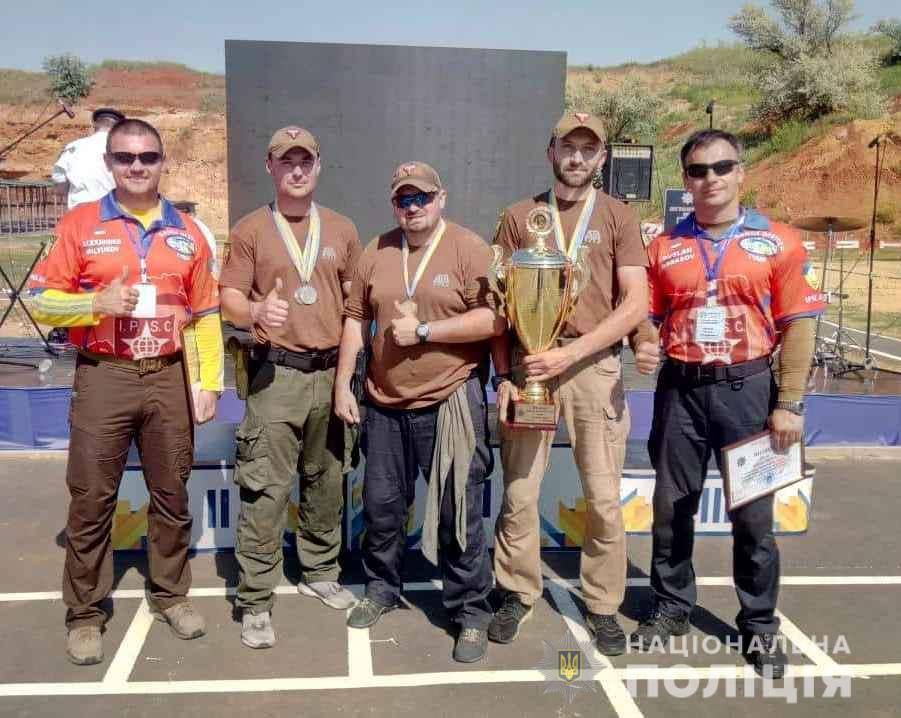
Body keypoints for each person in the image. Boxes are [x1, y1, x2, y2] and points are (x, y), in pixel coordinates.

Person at [28, 118, 224, 665]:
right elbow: (42, 302)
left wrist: (208, 383)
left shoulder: (188, 231)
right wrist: (95, 304)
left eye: (147, 157)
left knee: (171, 495)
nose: (137, 167)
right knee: (91, 499)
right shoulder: (80, 225)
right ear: (109, 164)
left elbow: (205, 315)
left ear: (163, 162)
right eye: (125, 157)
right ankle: (86, 613)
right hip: (104, 374)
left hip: (167, 375)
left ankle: (171, 595)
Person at [632, 129, 825, 678]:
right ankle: (671, 606)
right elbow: (646, 316)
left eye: (721, 167)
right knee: (672, 507)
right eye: (698, 170)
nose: (710, 179)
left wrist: (790, 402)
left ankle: (759, 626)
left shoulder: (781, 241)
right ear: (685, 180)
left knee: (754, 517)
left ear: (742, 172)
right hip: (681, 389)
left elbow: (801, 326)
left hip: (750, 391)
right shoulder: (664, 246)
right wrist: (644, 343)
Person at [489, 111, 649, 655]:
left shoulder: (619, 217)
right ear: (550, 151)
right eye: (567, 147)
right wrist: (505, 374)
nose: (577, 157)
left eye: (588, 149)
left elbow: (636, 302)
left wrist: (574, 352)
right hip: (530, 367)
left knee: (603, 498)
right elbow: (498, 307)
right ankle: (517, 589)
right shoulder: (517, 218)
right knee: (519, 492)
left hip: (592, 367)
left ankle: (602, 603)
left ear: (602, 157)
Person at [334, 161, 504, 663]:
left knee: (458, 511)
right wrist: (345, 382)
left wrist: (428, 332)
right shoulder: (377, 249)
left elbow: (494, 318)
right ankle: (383, 589)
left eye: (422, 198)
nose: (412, 208)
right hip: (384, 402)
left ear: (441, 198)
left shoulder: (468, 247)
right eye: (403, 200)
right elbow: (354, 318)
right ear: (393, 205)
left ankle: (470, 611)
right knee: (384, 508)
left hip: (449, 399)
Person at [219, 126, 361, 649]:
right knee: (265, 490)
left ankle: (320, 569)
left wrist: (346, 378)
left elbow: (355, 306)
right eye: (287, 162)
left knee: (325, 478)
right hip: (275, 375)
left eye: (305, 161)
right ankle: (256, 597)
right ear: (270, 167)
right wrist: (254, 310)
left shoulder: (343, 229)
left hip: (329, 374)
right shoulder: (251, 229)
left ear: (318, 166)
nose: (296, 170)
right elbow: (227, 298)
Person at [52, 108, 124, 209]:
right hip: (113, 213)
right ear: (119, 128)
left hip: (79, 213)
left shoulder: (73, 147)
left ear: (94, 125)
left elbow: (60, 187)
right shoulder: (124, 149)